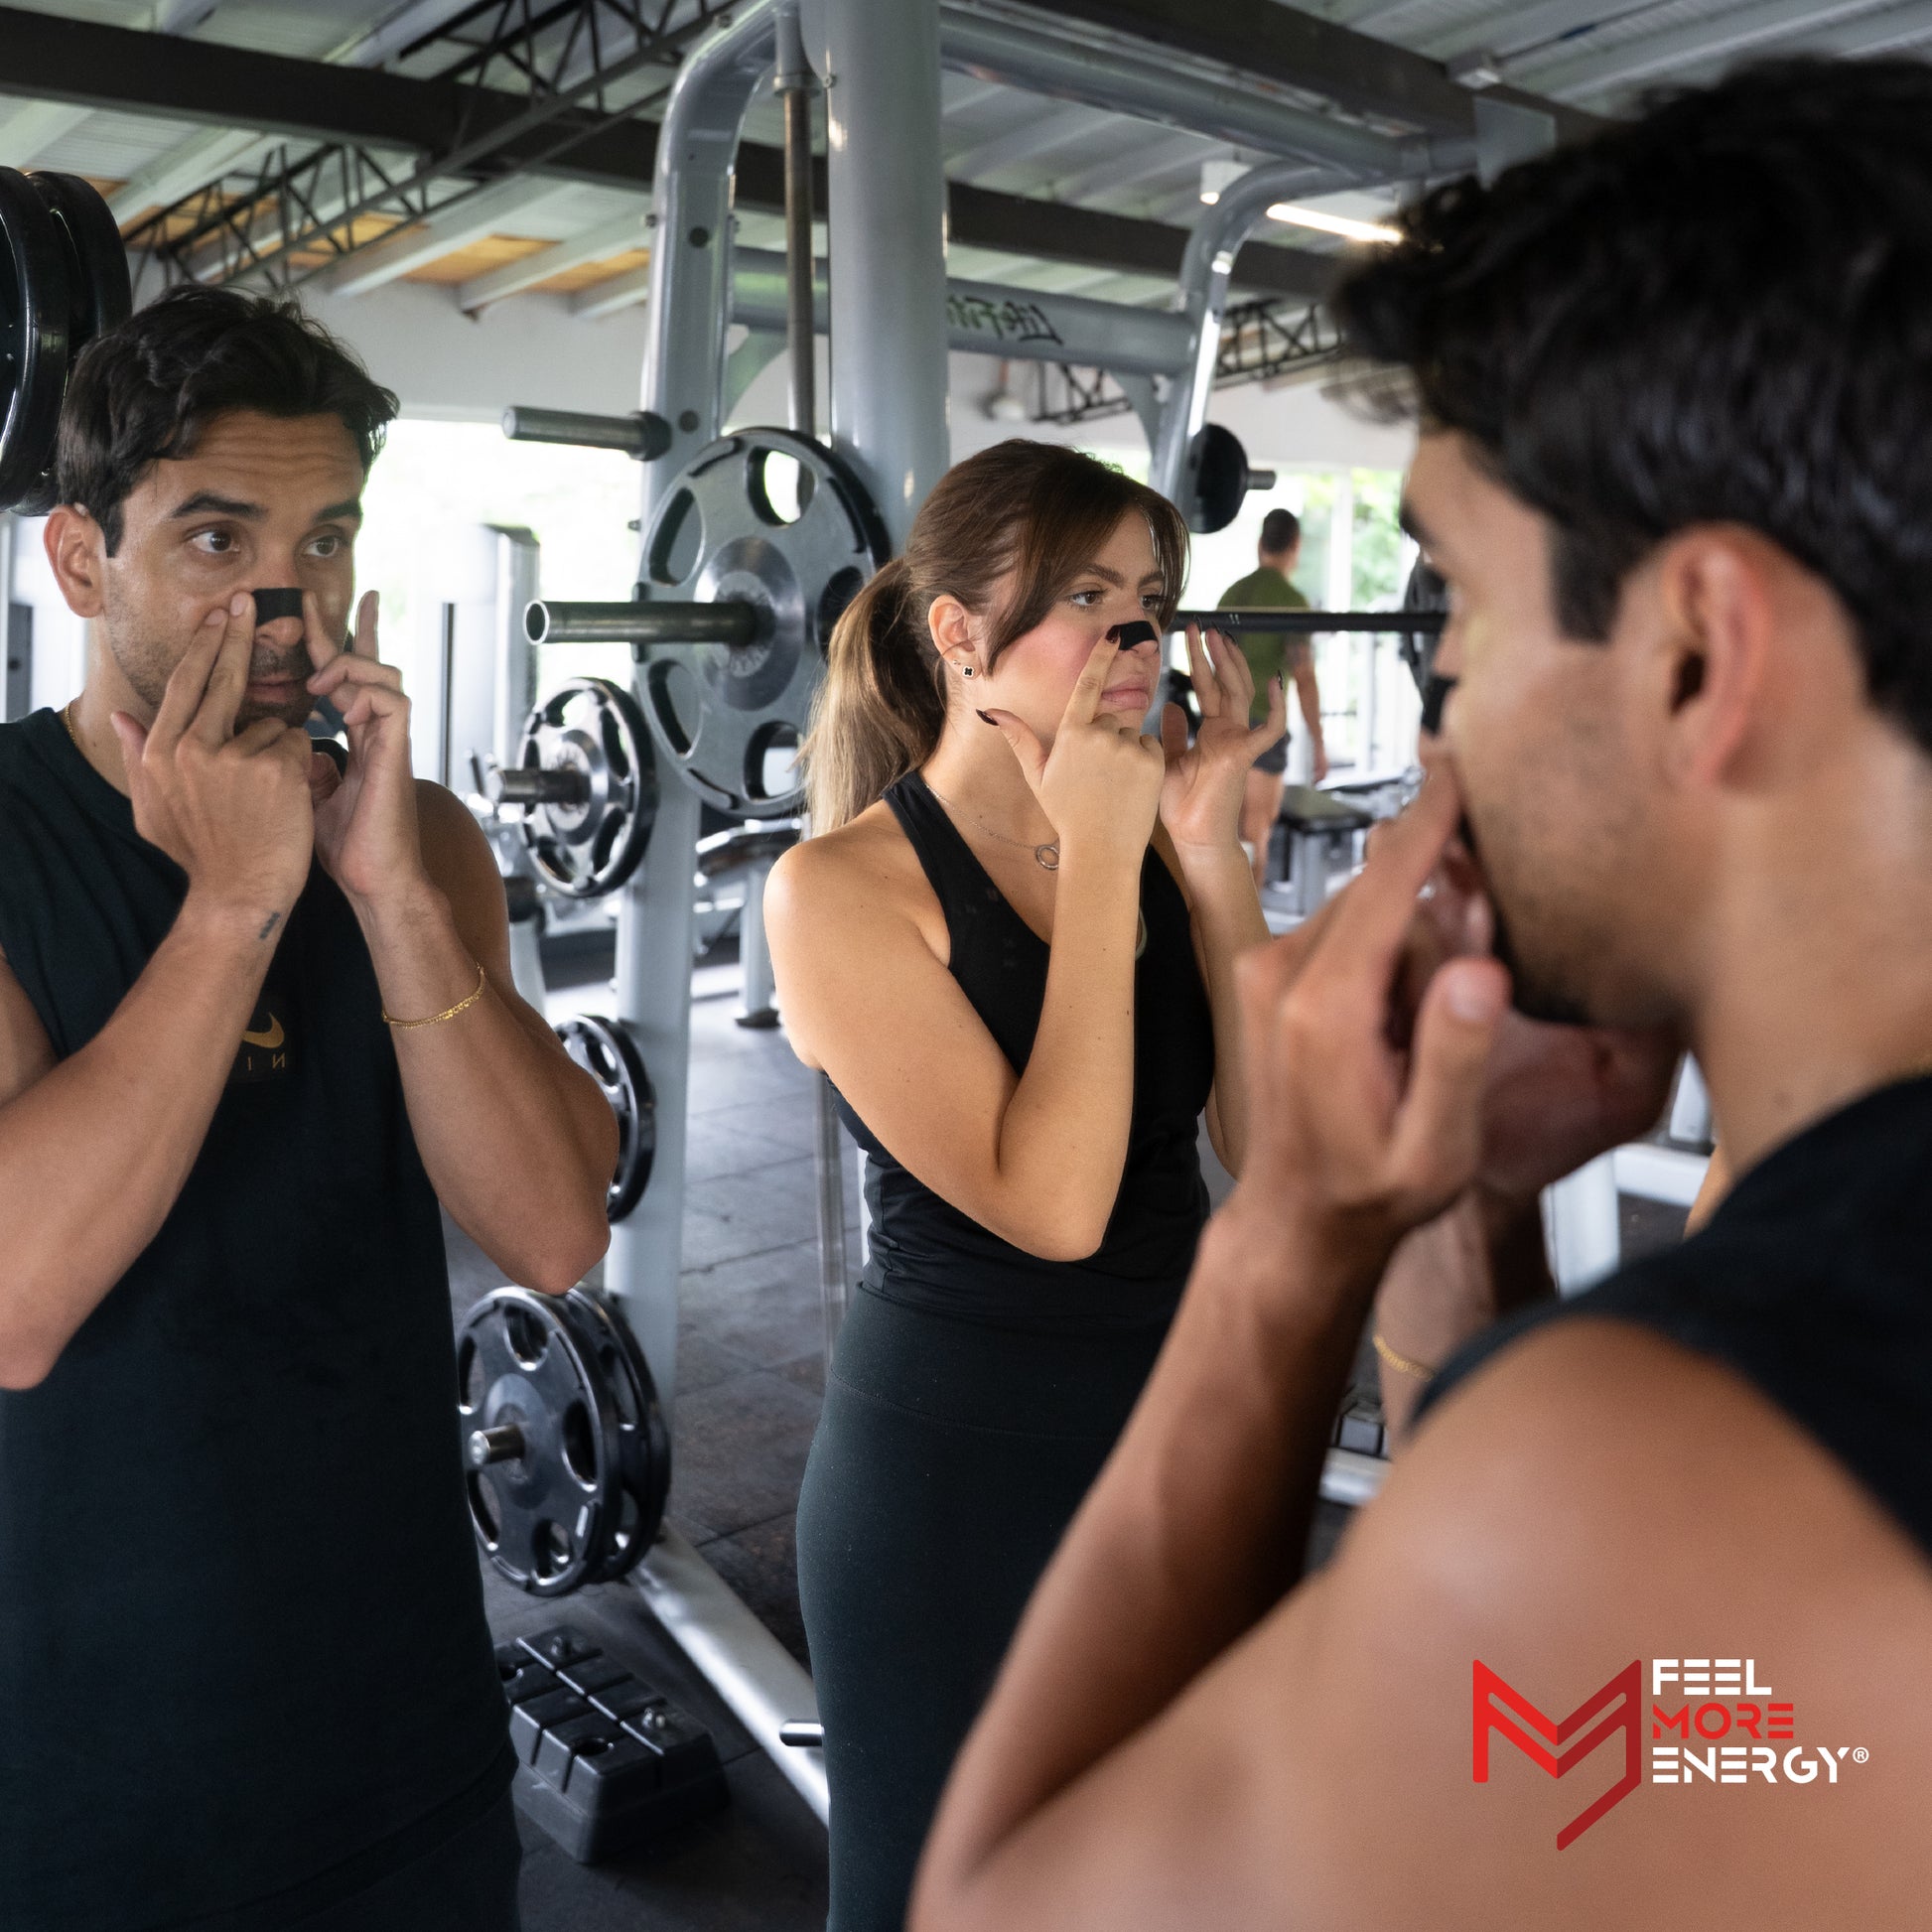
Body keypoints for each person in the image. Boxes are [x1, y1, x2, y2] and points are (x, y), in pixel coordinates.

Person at [912, 59, 1932, 1930]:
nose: (1445, 681)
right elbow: (1610, 1785)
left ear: (1701, 653)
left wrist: (1296, 1237)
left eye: (1460, 598)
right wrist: (1461, 1211)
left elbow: (997, 1908)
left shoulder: (1640, 1483)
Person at [0, 285, 617, 1931]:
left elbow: (553, 1229)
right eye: (216, 538)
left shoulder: (418, 842)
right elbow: (13, 1303)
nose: (289, 601)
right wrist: (230, 910)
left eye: (325, 536)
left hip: (403, 1737)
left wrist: (387, 886)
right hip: (79, 1777)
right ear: (80, 563)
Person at [764, 439, 1283, 1931]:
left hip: (1165, 1438)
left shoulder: (1150, 842)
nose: (1136, 640)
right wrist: (1109, 861)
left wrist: (1209, 859)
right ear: (956, 633)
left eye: (1151, 599)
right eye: (1082, 597)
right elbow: (1052, 1206)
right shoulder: (843, 891)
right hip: (954, 1482)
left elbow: (1266, 1146)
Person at [1218, 506, 1327, 890]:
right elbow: (1305, 678)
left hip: (1221, 725)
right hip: (1265, 728)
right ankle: (1245, 939)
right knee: (1256, 834)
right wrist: (1319, 742)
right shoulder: (1292, 601)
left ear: (1260, 544)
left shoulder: (1232, 593)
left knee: (1224, 840)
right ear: (1295, 546)